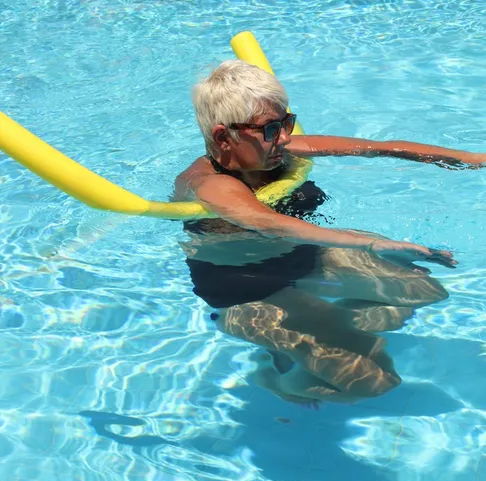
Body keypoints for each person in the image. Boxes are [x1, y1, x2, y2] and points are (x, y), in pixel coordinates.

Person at [173, 60, 483, 405]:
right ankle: (278, 381)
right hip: (249, 291)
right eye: (271, 128)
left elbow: (382, 147)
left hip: (303, 259)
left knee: (424, 290)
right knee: (375, 382)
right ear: (223, 137)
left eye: (286, 122)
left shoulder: (279, 153)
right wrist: (374, 245)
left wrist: (472, 157)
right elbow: (268, 222)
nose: (286, 136)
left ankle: (329, 325)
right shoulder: (209, 184)